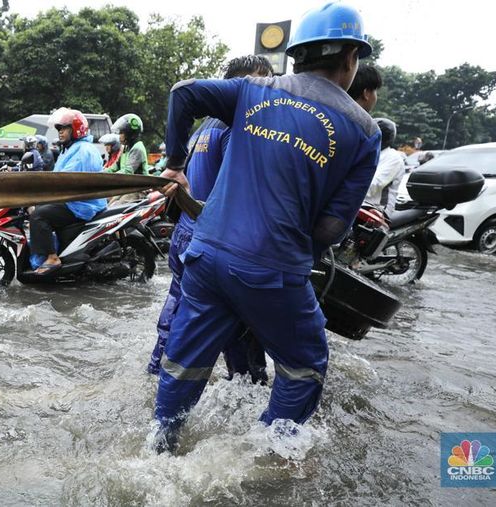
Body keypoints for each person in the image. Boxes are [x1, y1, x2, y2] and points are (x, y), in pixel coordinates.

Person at [153, 2, 381, 452]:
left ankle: (160, 443)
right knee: (305, 365)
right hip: (273, 270)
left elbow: (183, 92)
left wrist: (174, 165)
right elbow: (334, 227)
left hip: (205, 255)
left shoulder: (253, 90)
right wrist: (297, 257)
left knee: (184, 360)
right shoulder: (364, 131)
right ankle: (257, 456)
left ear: (298, 54)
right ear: (351, 59)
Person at [148, 55, 275, 383]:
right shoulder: (240, 126)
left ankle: (156, 374)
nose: (271, 92)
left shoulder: (202, 128)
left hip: (187, 235)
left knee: (179, 311)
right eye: (262, 83)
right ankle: (248, 394)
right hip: (219, 239)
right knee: (240, 327)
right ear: (238, 85)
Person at [27, 108, 105, 276]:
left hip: (81, 204)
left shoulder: (83, 150)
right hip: (73, 200)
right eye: (59, 129)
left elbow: (67, 180)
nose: (60, 132)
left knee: (39, 215)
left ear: (76, 129)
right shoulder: (70, 148)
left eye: (64, 128)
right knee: (38, 208)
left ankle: (53, 257)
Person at [364, 118, 405, 215]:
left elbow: (374, 185)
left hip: (378, 210)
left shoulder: (393, 158)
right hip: (359, 204)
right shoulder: (368, 152)